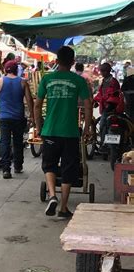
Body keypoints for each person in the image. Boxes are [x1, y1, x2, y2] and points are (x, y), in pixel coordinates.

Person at [35, 46, 91, 219]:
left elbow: (37, 105)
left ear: (56, 61)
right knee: (69, 169)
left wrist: (38, 127)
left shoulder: (47, 79)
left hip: (50, 130)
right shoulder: (79, 81)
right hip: (70, 133)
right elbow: (88, 105)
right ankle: (64, 207)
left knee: (49, 165)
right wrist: (87, 129)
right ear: (73, 62)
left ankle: (52, 195)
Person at [0, 60, 34, 179]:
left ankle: (6, 169)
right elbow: (29, 101)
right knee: (18, 142)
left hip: (4, 117)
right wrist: (32, 116)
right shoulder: (23, 82)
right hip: (18, 117)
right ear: (16, 70)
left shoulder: (0, 81)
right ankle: (18, 166)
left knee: (5, 142)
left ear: (5, 70)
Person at [93, 63, 122, 149]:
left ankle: (103, 144)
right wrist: (95, 100)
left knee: (102, 124)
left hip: (111, 107)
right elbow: (100, 94)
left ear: (106, 71)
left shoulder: (113, 82)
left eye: (101, 71)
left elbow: (110, 95)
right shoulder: (105, 81)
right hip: (106, 106)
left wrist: (100, 100)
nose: (100, 72)